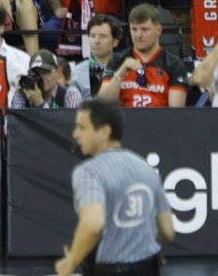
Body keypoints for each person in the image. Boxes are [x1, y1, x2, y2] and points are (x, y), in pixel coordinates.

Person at [55, 98, 174, 276]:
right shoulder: (146, 168)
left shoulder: (89, 172)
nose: (75, 134)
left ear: (104, 132)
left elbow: (93, 223)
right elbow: (167, 232)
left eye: (81, 127)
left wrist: (71, 262)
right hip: (149, 268)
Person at [96, 3, 189, 109]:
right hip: (124, 118)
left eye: (144, 29)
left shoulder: (173, 64)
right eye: (134, 29)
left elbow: (176, 112)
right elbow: (103, 105)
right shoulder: (118, 60)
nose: (138, 35)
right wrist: (120, 74)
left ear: (158, 30)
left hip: (159, 118)